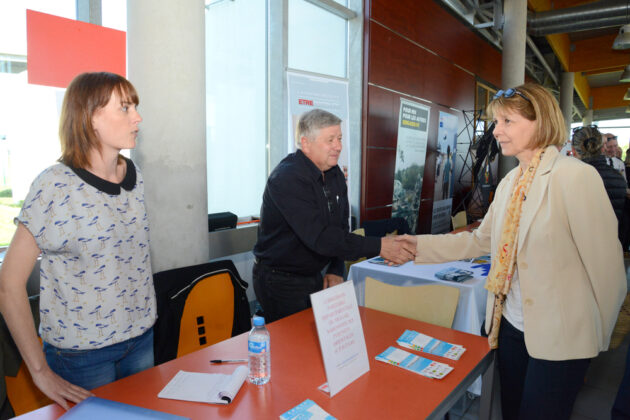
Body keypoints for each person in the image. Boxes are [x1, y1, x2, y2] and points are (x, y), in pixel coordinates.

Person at [397, 83, 626, 420]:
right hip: (511, 327)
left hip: (562, 338)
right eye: (496, 121)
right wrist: (416, 246)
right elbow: (479, 241)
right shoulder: (510, 182)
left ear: (540, 122)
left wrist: (594, 340)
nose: (496, 130)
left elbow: (607, 271)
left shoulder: (575, 178)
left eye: (506, 121)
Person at [0, 72, 156, 409]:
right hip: (83, 356)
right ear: (91, 118)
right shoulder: (54, 186)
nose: (137, 117)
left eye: (135, 107)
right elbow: (9, 283)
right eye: (125, 108)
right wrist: (38, 371)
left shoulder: (134, 174)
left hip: (141, 339)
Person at [253, 109, 415, 323]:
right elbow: (320, 237)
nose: (338, 146)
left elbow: (339, 227)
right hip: (281, 281)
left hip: (316, 274)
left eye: (339, 138)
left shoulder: (334, 173)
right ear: (306, 142)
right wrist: (380, 246)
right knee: (295, 345)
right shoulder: (287, 178)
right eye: (330, 140)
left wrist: (336, 267)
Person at [571, 125, 626, 234]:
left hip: (578, 245)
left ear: (573, 151)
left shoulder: (569, 177)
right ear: (602, 148)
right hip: (611, 242)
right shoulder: (618, 178)